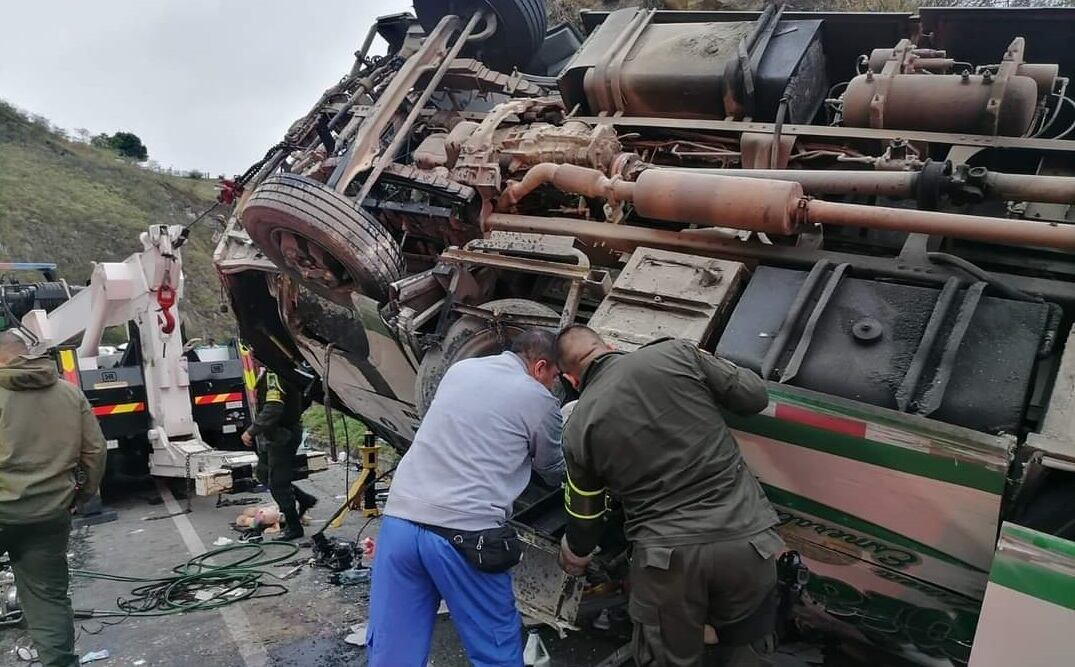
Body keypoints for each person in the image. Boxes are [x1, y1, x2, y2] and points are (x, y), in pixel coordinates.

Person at [555, 325, 785, 667]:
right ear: (610, 346)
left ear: (571, 380)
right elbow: (754, 397)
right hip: (747, 542)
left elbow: (587, 517)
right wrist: (706, 363)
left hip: (668, 563)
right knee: (746, 654)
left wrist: (573, 555)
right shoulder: (675, 353)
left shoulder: (577, 429)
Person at [367, 329, 565, 667]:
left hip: (401, 522)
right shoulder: (538, 398)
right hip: (466, 536)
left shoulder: (461, 369)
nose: (553, 384)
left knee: (392, 650)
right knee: (495, 650)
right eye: (556, 377)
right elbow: (553, 469)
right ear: (540, 366)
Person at [0, 330, 107, 667]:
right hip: (49, 513)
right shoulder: (68, 393)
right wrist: (82, 495)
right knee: (48, 598)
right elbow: (95, 451)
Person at [241, 368, 317, 541]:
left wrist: (251, 431)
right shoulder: (281, 370)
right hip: (275, 434)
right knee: (262, 473)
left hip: (282, 435)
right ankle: (305, 499)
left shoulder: (274, 373)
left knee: (278, 483)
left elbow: (273, 408)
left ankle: (294, 527)